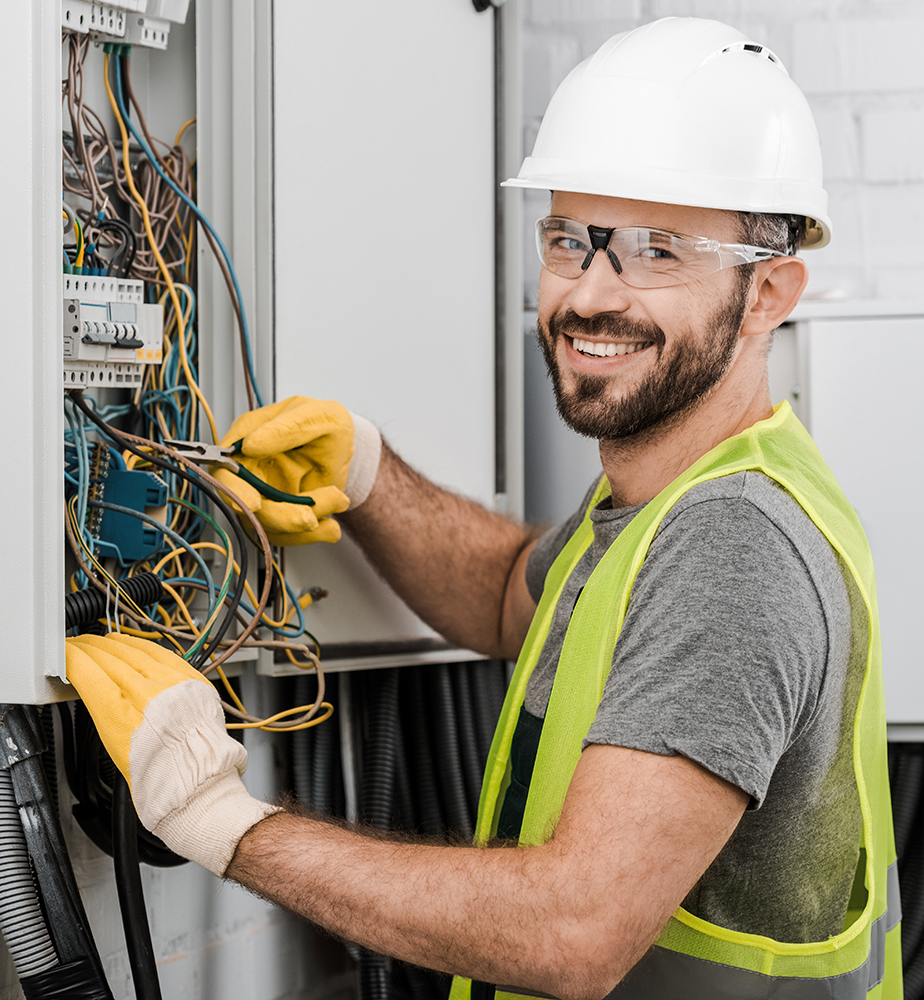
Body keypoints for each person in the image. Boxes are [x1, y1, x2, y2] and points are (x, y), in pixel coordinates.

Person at [64, 17, 901, 1000]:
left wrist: (223, 821)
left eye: (657, 251)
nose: (591, 294)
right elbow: (516, 596)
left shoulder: (731, 542)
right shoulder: (666, 500)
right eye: (569, 240)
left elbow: (574, 932)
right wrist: (370, 473)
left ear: (769, 294)